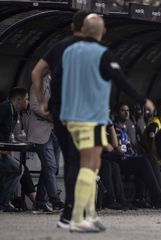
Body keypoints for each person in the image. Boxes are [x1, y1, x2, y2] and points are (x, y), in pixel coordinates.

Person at [60, 14, 148, 232]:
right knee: (89, 166)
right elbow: (121, 81)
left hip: (75, 116)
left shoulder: (69, 51)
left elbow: (62, 82)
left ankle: (87, 214)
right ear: (102, 31)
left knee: (91, 166)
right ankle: (79, 218)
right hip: (91, 117)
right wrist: (143, 100)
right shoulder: (101, 53)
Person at [31, 11, 88, 229]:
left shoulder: (60, 51)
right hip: (59, 120)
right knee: (67, 162)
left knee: (59, 165)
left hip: (59, 120)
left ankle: (51, 204)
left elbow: (36, 72)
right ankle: (66, 206)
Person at [27, 75, 64, 213]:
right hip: (42, 130)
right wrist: (53, 116)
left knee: (50, 168)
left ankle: (40, 203)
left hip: (56, 131)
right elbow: (35, 106)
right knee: (50, 165)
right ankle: (56, 201)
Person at [0, 87, 28, 211]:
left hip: (4, 152)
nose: (28, 102)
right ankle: (4, 203)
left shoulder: (14, 112)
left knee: (16, 169)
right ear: (18, 100)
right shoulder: (5, 108)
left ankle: (4, 201)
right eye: (26, 99)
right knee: (18, 169)